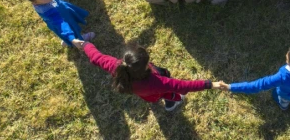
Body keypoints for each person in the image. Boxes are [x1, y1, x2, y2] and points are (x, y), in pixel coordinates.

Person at [73, 40, 225, 111]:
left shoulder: (118, 67)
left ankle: (169, 101)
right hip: (156, 93)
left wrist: (86, 45)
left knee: (159, 92)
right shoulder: (157, 82)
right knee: (172, 95)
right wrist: (210, 84)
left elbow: (96, 57)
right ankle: (172, 104)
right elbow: (183, 86)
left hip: (146, 95)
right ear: (146, 66)